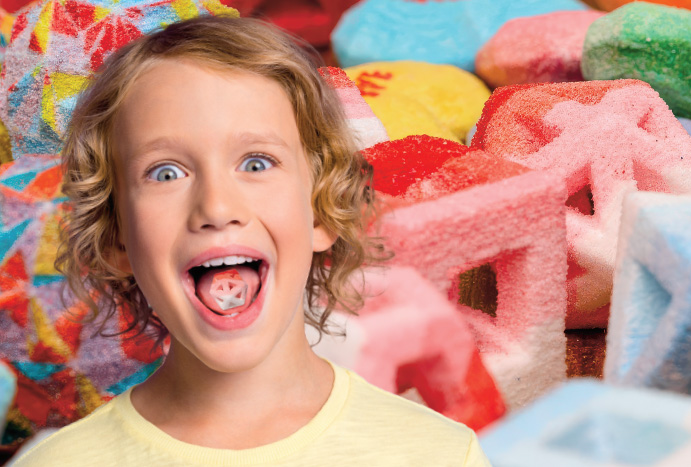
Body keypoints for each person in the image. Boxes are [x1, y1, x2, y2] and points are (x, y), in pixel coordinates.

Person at [13, 15, 490, 466]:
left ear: (322, 210)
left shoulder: (438, 454)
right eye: (166, 172)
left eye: (256, 163)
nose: (217, 208)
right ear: (117, 238)